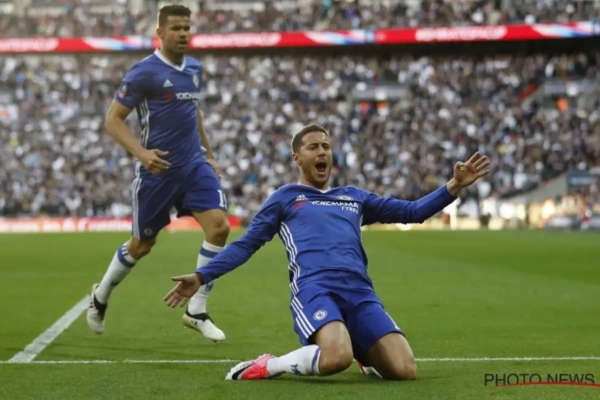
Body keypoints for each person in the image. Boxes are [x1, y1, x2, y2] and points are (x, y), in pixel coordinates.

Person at [163, 123, 490, 380]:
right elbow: (246, 244)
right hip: (316, 289)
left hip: (360, 292)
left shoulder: (354, 197)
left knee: (405, 370)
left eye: (326, 146)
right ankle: (269, 365)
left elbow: (412, 212)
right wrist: (202, 275)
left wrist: (453, 186)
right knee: (335, 357)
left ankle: (365, 354)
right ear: (297, 158)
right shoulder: (285, 198)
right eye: (313, 147)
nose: (322, 152)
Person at [87, 4, 230, 342]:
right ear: (160, 33)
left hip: (194, 165)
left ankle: (196, 309)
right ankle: (101, 295)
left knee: (220, 228)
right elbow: (112, 120)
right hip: (158, 172)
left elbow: (193, 111)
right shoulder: (144, 73)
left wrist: (209, 154)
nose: (183, 34)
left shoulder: (194, 68)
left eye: (187, 28)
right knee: (141, 246)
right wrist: (141, 154)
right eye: (176, 28)